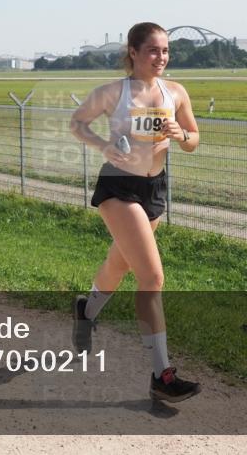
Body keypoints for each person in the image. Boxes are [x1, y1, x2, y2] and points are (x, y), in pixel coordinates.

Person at [69, 22, 202, 403]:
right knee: (152, 277)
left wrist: (182, 136)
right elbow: (77, 123)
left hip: (154, 189)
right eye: (153, 50)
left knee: (120, 264)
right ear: (133, 52)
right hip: (118, 187)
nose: (161, 57)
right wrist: (104, 147)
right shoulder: (113, 92)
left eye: (165, 51)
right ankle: (161, 374)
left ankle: (86, 310)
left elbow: (194, 139)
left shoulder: (175, 92)